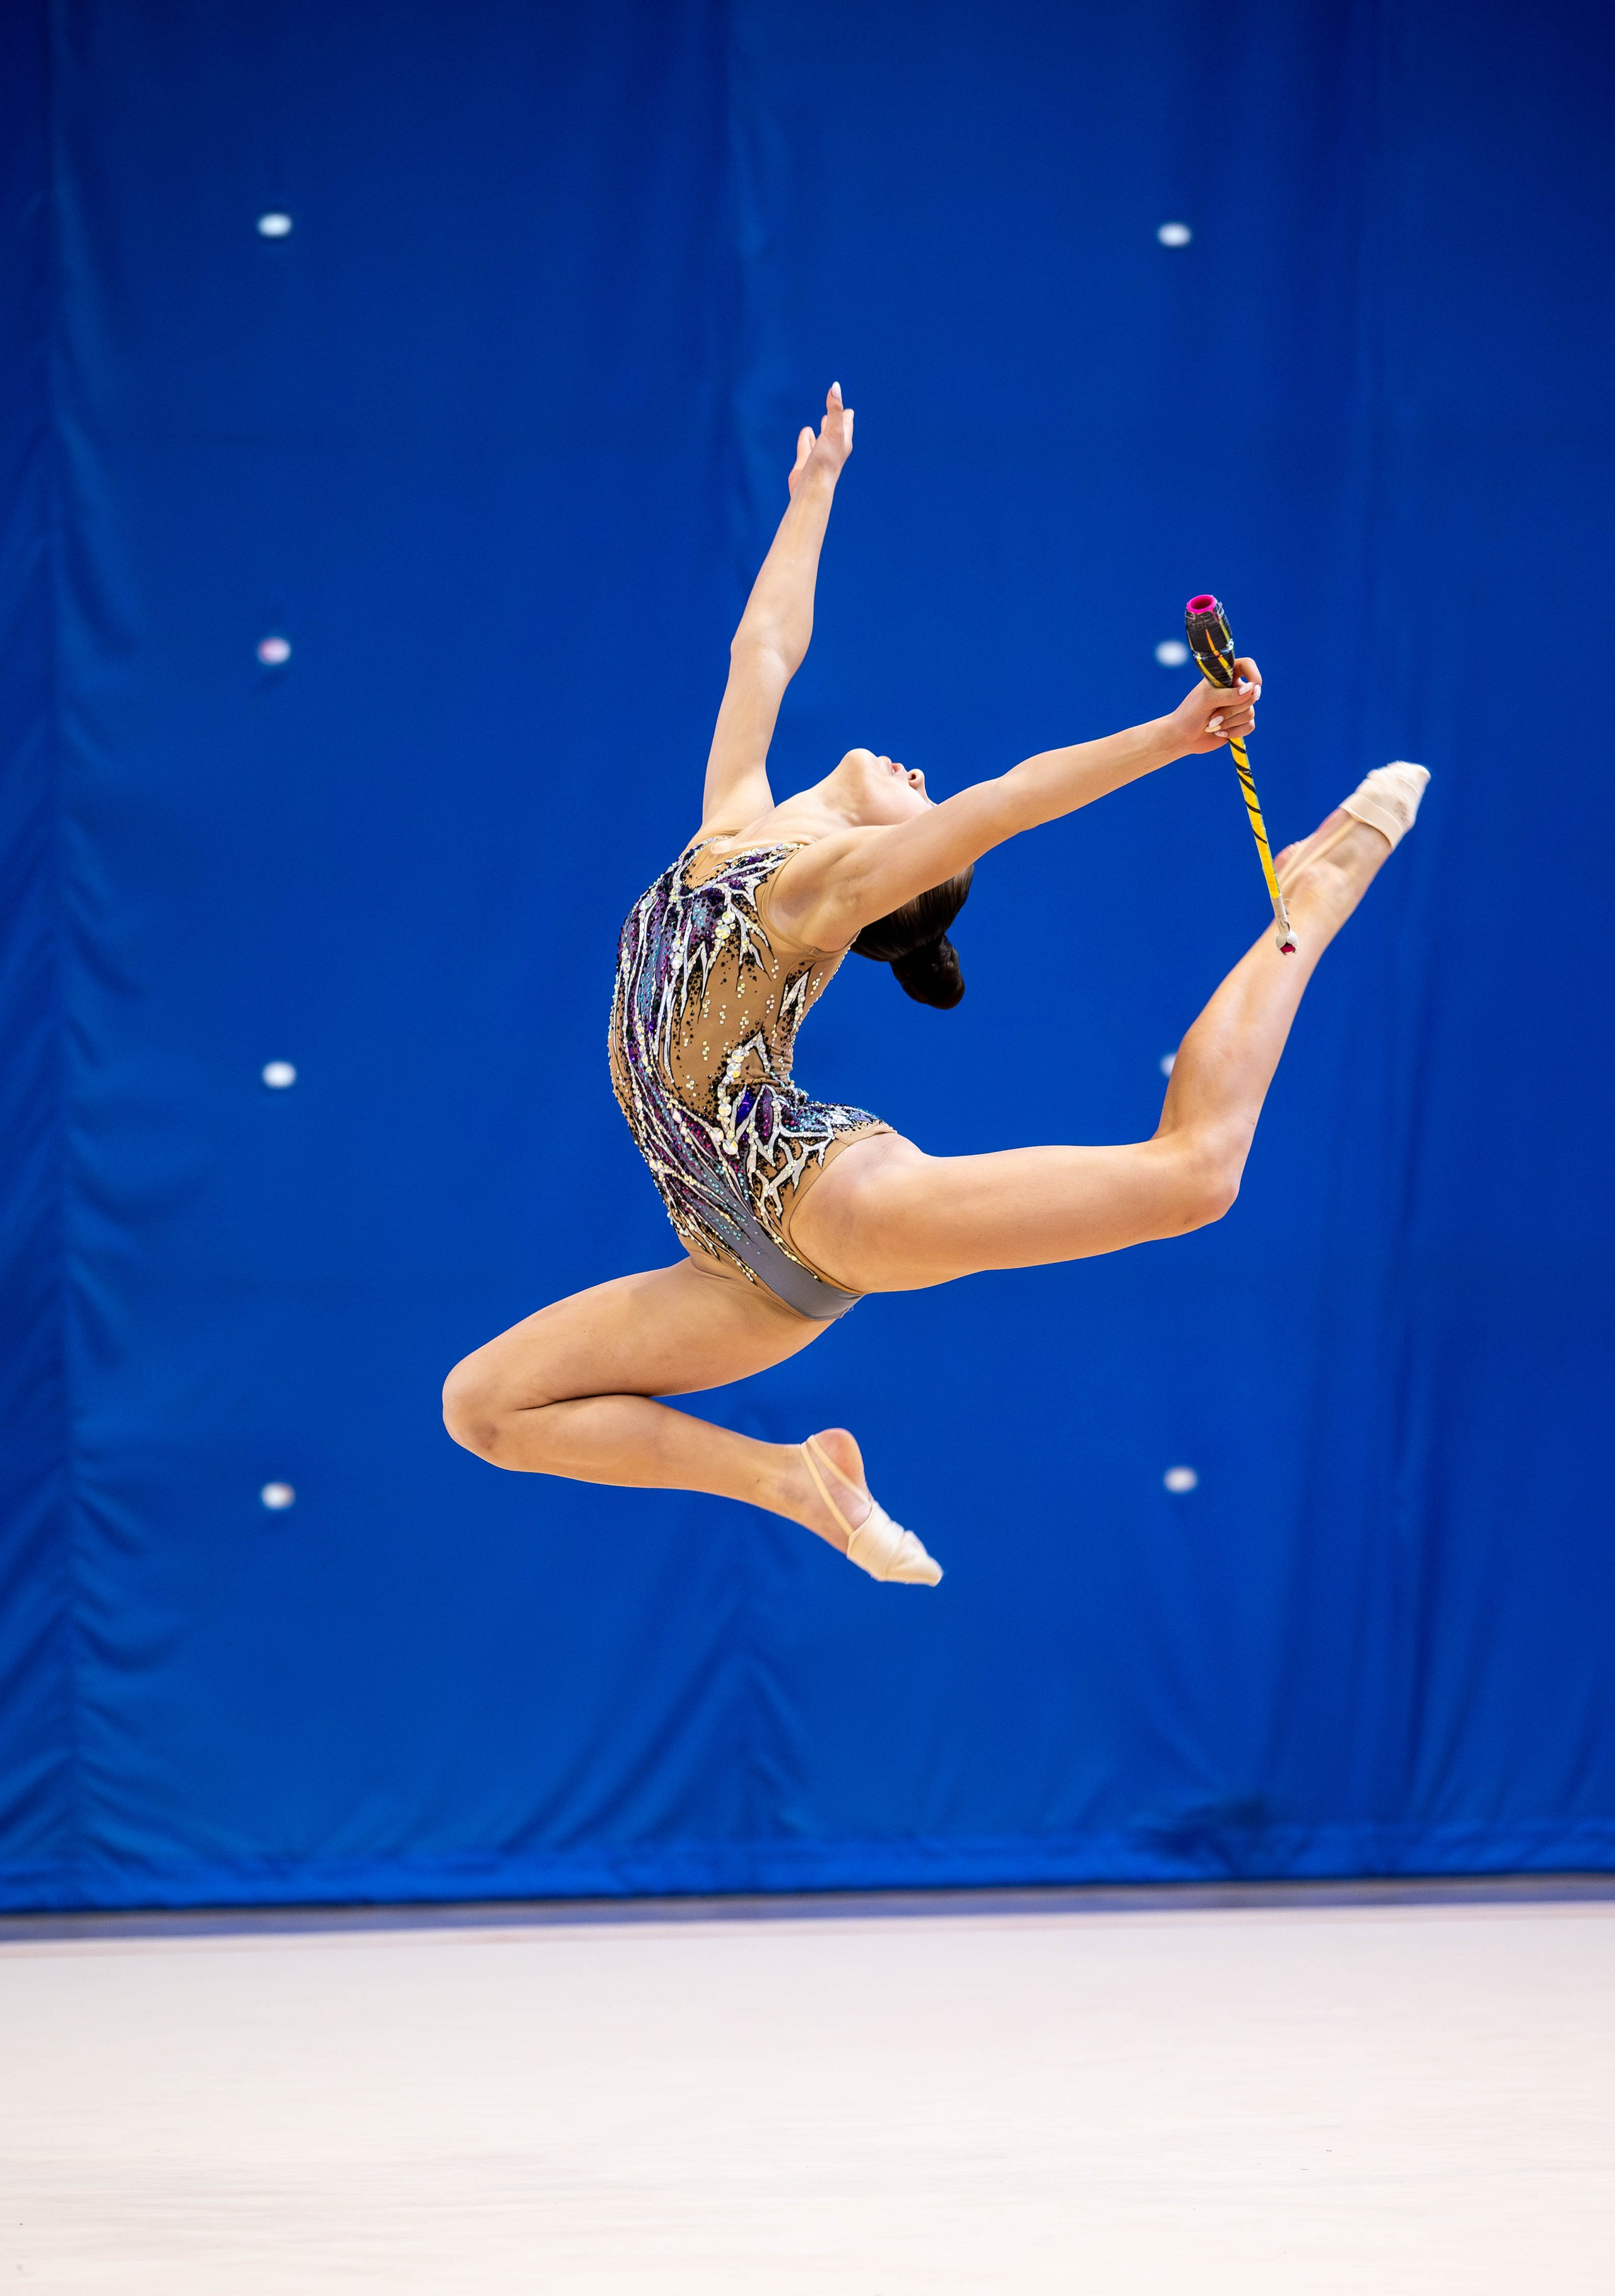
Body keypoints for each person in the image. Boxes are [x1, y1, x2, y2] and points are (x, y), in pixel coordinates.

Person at [443, 385, 1428, 1584]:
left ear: (903, 865)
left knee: (1195, 1178)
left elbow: (1002, 801)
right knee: (485, 1407)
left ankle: (1310, 907)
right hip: (727, 1262)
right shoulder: (733, 825)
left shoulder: (816, 891)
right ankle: (795, 1483)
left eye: (924, 807)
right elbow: (763, 653)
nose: (921, 778)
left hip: (821, 1202)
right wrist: (812, 495)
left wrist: (1170, 736)